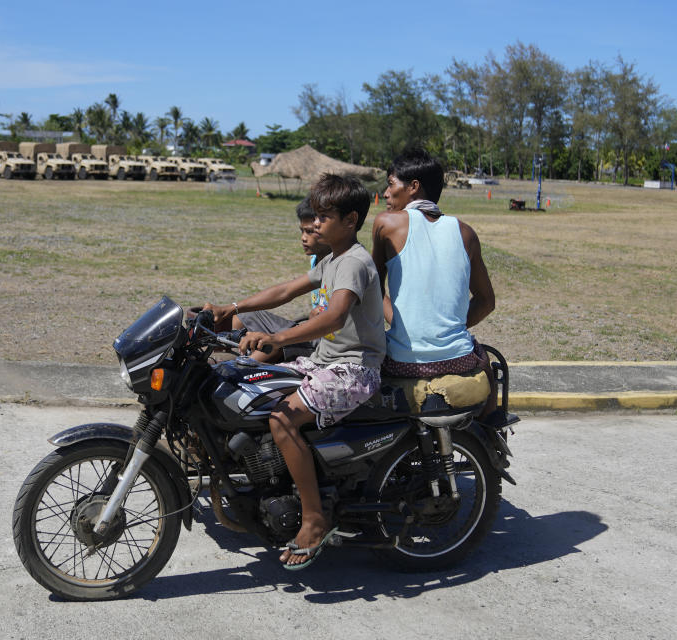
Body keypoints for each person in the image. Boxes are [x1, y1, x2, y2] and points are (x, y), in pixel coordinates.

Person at [205, 173, 385, 569]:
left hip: (354, 370)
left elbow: (334, 316)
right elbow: (287, 290)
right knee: (244, 381)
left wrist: (280, 339)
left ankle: (314, 518)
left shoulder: (354, 262)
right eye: (315, 217)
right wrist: (232, 308)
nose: (315, 225)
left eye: (323, 217)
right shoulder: (332, 258)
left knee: (281, 420)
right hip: (326, 362)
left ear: (350, 220)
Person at [370, 147, 496, 413]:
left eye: (391, 185)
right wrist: (447, 327)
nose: (386, 193)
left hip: (403, 361)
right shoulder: (465, 232)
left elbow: (372, 290)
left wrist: (402, 323)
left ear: (413, 187)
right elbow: (486, 302)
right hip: (458, 360)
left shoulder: (386, 224)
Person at [232, 197, 331, 362]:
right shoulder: (316, 259)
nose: (303, 238)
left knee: (270, 344)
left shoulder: (340, 262)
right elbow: (285, 291)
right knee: (241, 316)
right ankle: (234, 355)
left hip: (326, 338)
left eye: (309, 231)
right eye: (302, 231)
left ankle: (241, 369)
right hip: (311, 328)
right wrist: (233, 308)